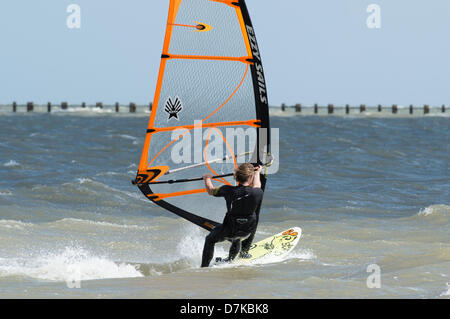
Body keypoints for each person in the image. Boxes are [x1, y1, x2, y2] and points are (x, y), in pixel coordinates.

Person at [201, 163, 264, 267]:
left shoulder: (227, 190)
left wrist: (207, 178)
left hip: (229, 230)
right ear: (251, 177)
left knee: (210, 240)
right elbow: (257, 185)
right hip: (247, 230)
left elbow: (211, 191)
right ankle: (230, 261)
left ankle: (204, 267)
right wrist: (257, 173)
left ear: (236, 177)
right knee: (237, 238)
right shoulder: (257, 193)